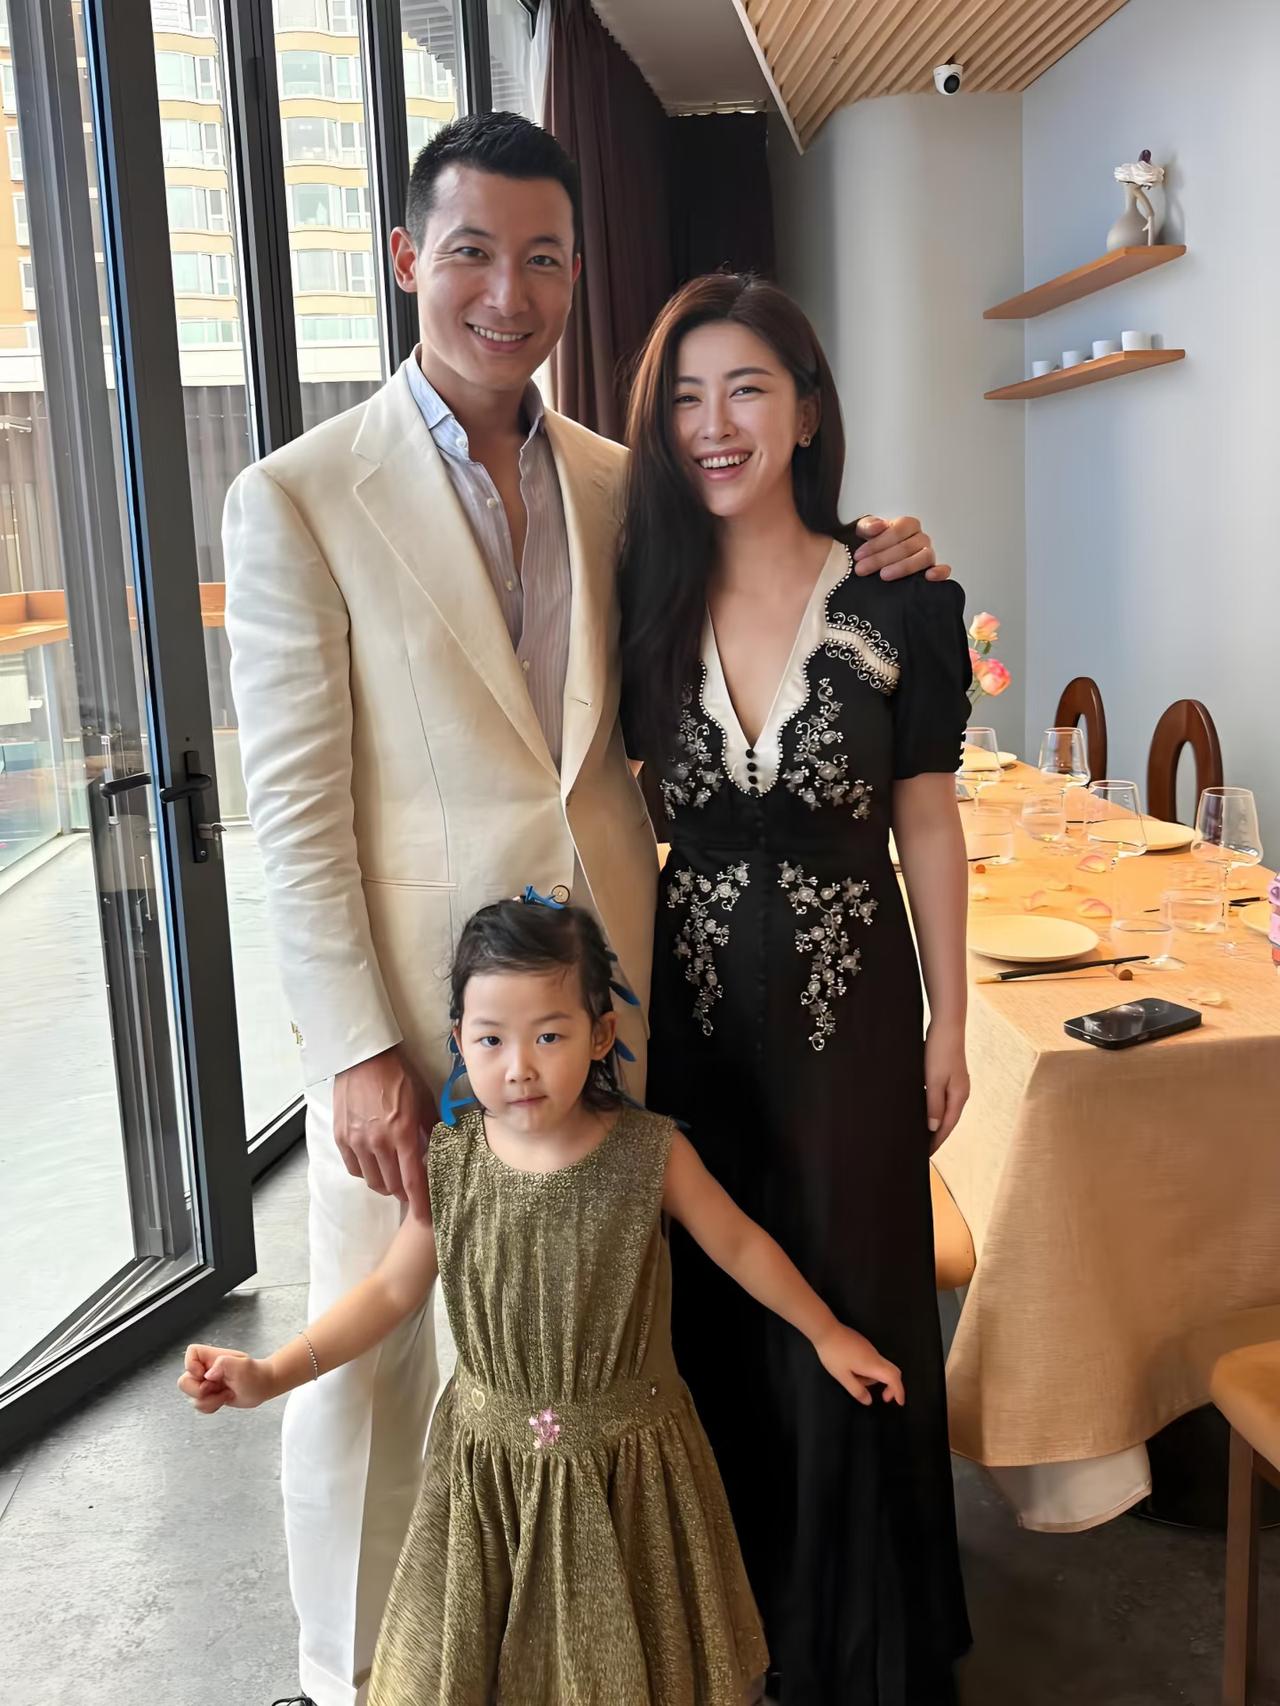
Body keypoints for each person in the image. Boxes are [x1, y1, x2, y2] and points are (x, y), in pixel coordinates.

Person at [222, 108, 948, 1705]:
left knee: (606, 1348)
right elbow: (293, 809)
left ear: (573, 277)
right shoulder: (299, 496)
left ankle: (598, 1648)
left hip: (618, 997)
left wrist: (886, 547)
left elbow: (770, 583)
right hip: (425, 1020)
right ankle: (355, 1673)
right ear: (406, 258)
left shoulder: (629, 484)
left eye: (545, 258)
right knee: (385, 1363)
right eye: (472, 252)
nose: (510, 292)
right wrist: (352, 1045)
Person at [178, 898, 907, 1706]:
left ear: (600, 1034)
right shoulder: (451, 1163)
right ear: (460, 1039)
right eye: (492, 1040)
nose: (519, 1067)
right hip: (485, 1484)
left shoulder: (652, 1154)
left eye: (549, 1036)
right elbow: (389, 1290)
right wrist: (271, 1373)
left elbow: (737, 1244)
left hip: (631, 1476)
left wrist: (827, 1333)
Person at [621, 274, 974, 1705]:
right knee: (715, 1300)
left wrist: (953, 1015)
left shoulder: (903, 597)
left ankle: (862, 1652)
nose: (715, 424)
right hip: (692, 1016)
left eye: (747, 389)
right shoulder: (640, 594)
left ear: (808, 409)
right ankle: (735, 1630)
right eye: (686, 398)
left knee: (850, 1287)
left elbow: (926, 816)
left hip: (854, 1013)